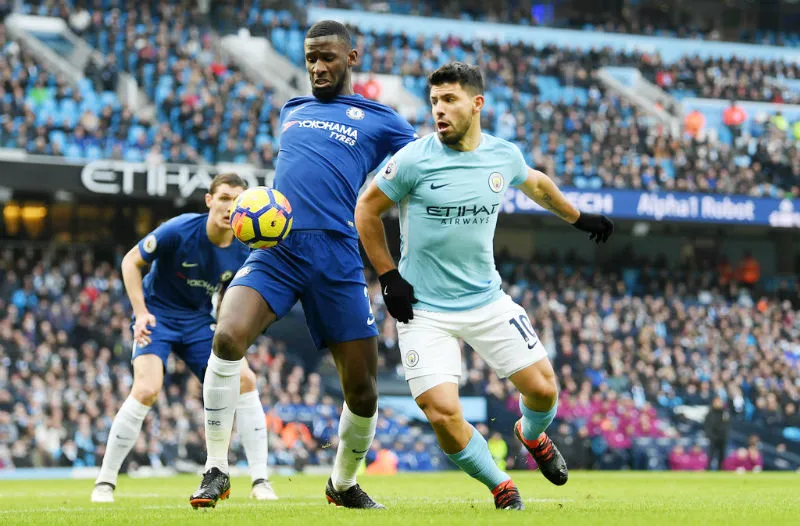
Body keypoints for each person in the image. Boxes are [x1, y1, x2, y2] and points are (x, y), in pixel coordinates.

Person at [354, 62, 614, 510]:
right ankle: (501, 485)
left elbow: (536, 184)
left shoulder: (502, 155)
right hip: (423, 310)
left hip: (487, 300)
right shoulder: (415, 158)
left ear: (476, 104)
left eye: (449, 100)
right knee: (441, 412)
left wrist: (579, 217)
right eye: (434, 101)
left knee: (545, 392)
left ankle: (530, 435)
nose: (439, 109)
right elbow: (366, 208)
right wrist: (388, 274)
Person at [189, 20, 417, 509]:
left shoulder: (382, 120)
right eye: (311, 57)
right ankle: (215, 469)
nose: (317, 66)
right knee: (226, 336)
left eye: (328, 57)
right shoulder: (292, 108)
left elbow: (423, 164)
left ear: (351, 59)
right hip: (277, 249)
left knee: (363, 391)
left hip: (337, 257)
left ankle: (342, 483)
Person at [92, 173, 278, 503]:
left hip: (197, 323)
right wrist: (141, 312)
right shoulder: (179, 229)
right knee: (147, 388)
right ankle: (105, 482)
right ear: (209, 200)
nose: (229, 206)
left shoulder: (243, 248)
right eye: (223, 197)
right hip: (158, 316)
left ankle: (260, 481)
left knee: (246, 380)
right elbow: (130, 262)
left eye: (237, 199)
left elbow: (232, 294)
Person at [704, 396, 730, 471]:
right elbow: (707, 426)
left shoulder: (725, 413)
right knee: (710, 455)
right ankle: (708, 469)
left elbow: (726, 425)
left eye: (720, 402)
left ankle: (721, 470)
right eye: (717, 402)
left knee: (721, 456)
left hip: (722, 437)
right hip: (713, 437)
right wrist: (710, 435)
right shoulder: (710, 413)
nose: (718, 404)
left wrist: (724, 435)